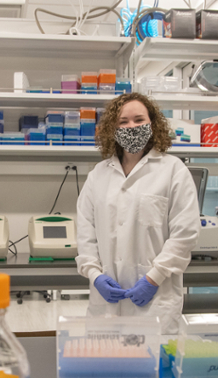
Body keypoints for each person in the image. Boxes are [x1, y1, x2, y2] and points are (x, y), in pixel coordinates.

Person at [76, 93, 201, 335]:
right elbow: (85, 233)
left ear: (152, 125)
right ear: (113, 128)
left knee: (154, 368)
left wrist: (153, 278)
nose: (131, 127)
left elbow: (185, 234)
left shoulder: (173, 170)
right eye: (123, 122)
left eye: (138, 120)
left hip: (155, 301)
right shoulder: (98, 175)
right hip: (106, 306)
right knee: (108, 366)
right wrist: (94, 274)